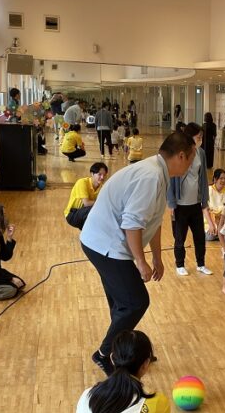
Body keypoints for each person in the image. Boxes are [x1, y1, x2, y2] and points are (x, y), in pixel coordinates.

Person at [80, 132, 196, 375]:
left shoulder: (158, 173)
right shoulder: (151, 176)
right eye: (192, 158)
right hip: (104, 243)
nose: (193, 163)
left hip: (102, 240)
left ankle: (123, 355)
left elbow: (151, 221)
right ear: (182, 155)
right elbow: (132, 224)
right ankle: (104, 354)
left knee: (123, 304)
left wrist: (157, 257)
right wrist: (141, 263)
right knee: (135, 302)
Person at [168, 123, 213, 276]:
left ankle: (201, 263)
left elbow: (203, 178)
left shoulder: (201, 153)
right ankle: (179, 264)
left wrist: (204, 200)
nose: (200, 140)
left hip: (195, 203)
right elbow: (170, 178)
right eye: (198, 137)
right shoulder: (178, 153)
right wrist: (171, 203)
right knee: (180, 237)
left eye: (201, 137)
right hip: (180, 205)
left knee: (199, 236)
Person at [64, 162, 108, 229]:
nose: (102, 177)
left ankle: (90, 235)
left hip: (84, 213)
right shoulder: (82, 182)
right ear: (92, 174)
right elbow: (86, 203)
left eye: (104, 175)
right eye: (99, 174)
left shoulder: (102, 187)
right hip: (72, 214)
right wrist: (102, 202)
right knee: (94, 210)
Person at [206, 169, 225, 241]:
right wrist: (211, 225)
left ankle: (219, 235)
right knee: (210, 237)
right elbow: (205, 209)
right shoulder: (208, 190)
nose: (223, 180)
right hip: (210, 220)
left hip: (223, 220)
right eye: (221, 178)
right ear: (215, 179)